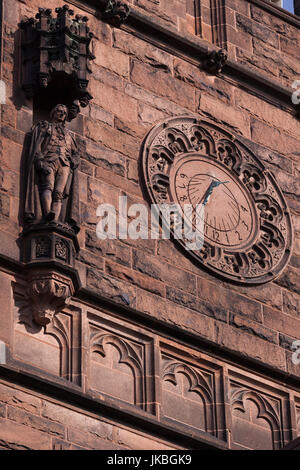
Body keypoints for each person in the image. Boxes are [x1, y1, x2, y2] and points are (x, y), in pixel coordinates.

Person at [24, 104, 80, 231]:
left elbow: (76, 153)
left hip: (64, 164)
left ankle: (54, 219)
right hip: (49, 160)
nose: (62, 114)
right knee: (47, 186)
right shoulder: (45, 127)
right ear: (53, 113)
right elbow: (37, 144)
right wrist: (39, 159)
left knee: (59, 193)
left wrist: (73, 161)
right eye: (59, 111)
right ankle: (47, 212)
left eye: (64, 113)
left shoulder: (69, 135)